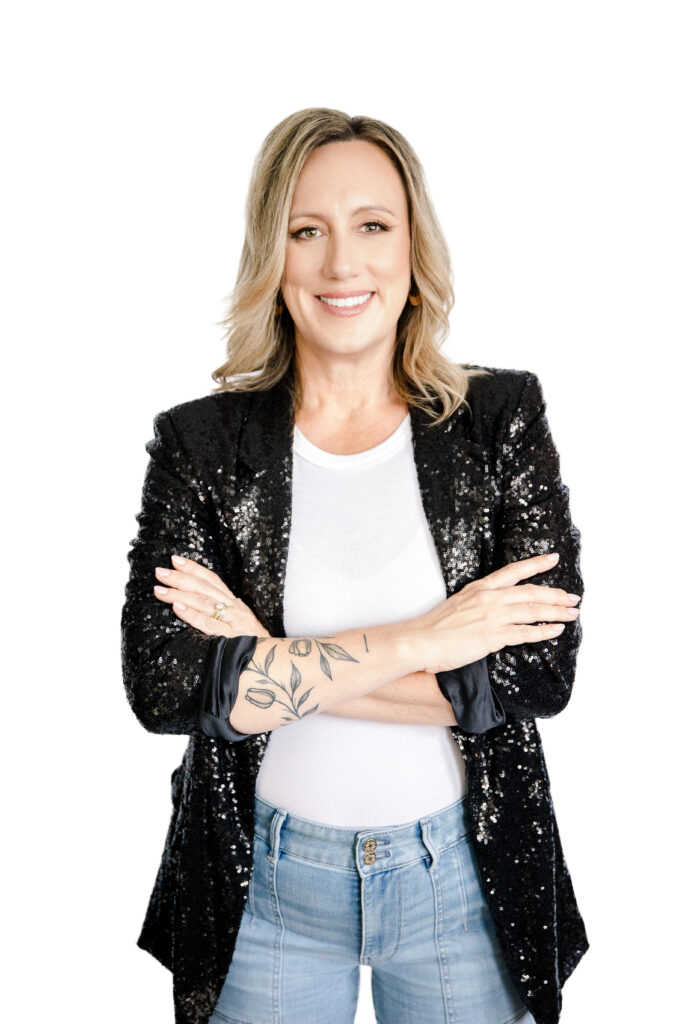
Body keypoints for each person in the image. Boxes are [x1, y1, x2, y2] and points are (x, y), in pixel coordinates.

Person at [121, 107, 589, 1024]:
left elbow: (539, 671)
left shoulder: (499, 423)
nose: (342, 264)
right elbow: (166, 686)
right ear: (273, 254)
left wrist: (263, 656)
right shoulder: (202, 445)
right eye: (308, 231)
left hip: (462, 876)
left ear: (413, 249)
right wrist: (428, 641)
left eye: (372, 226)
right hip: (264, 887)